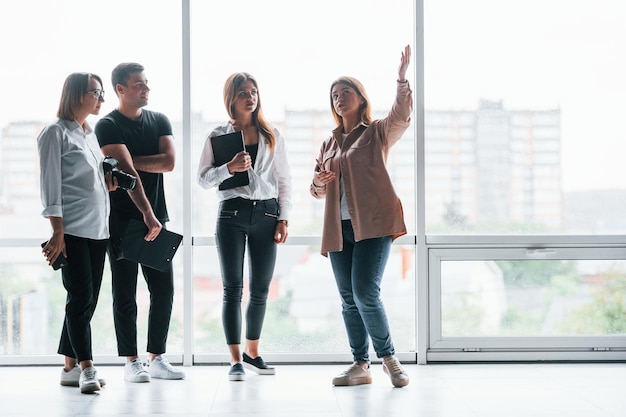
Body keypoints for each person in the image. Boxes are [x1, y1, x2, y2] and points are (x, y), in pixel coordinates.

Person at [310, 45, 412, 388]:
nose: (340, 98)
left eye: (346, 92)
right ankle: (360, 365)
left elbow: (401, 115)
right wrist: (318, 182)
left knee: (366, 293)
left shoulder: (376, 132)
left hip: (373, 225)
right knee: (348, 299)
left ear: (361, 98)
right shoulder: (328, 143)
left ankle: (389, 359)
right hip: (338, 229)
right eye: (335, 95)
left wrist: (401, 79)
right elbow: (317, 190)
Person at [197, 72, 292, 381]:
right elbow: (202, 179)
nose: (250, 97)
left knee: (262, 289)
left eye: (253, 91)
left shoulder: (271, 134)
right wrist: (229, 168)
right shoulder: (218, 135)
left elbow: (284, 180)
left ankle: (253, 353)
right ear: (231, 99)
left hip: (266, 214)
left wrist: (284, 217)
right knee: (233, 289)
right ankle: (235, 359)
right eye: (243, 93)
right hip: (231, 215)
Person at [94, 62, 185, 383]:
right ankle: (132, 361)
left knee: (164, 290)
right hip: (121, 221)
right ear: (120, 89)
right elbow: (127, 175)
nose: (146, 89)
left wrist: (130, 162)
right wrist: (145, 211)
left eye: (147, 83)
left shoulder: (159, 119)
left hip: (157, 217)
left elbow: (169, 162)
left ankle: (157, 357)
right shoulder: (107, 125)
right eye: (138, 85)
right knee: (125, 293)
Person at [38, 72, 116, 393]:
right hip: (71, 230)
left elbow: (94, 182)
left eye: (101, 93)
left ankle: (69, 367)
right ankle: (87, 367)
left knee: (86, 299)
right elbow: (50, 187)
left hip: (98, 229)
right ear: (76, 95)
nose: (101, 98)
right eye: (96, 92)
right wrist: (57, 232)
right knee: (81, 298)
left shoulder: (90, 134)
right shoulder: (54, 134)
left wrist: (108, 181)